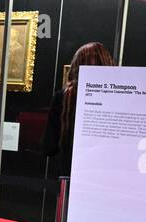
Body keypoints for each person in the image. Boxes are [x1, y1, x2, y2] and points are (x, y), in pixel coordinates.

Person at [43, 41, 115, 177]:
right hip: (105, 174)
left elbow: (49, 147)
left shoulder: (63, 97)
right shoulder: (117, 97)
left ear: (76, 66)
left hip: (69, 173)